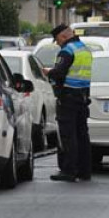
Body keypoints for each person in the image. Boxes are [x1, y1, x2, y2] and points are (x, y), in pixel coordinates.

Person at [42, 24, 93, 182]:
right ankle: (84, 171)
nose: (57, 44)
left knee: (68, 136)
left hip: (68, 98)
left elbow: (58, 74)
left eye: (57, 40)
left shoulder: (67, 51)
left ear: (63, 37)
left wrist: (48, 72)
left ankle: (69, 170)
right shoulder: (84, 49)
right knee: (82, 135)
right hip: (82, 97)